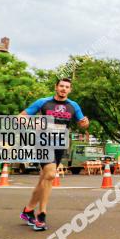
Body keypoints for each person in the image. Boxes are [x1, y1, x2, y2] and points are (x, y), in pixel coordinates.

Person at [19, 78, 90, 231]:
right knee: (51, 175)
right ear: (56, 87)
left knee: (43, 179)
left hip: (59, 144)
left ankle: (28, 210)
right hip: (43, 142)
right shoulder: (43, 102)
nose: (64, 89)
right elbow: (21, 118)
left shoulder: (73, 106)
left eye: (67, 87)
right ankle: (42, 214)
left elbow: (82, 122)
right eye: (61, 86)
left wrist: (85, 123)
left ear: (70, 90)